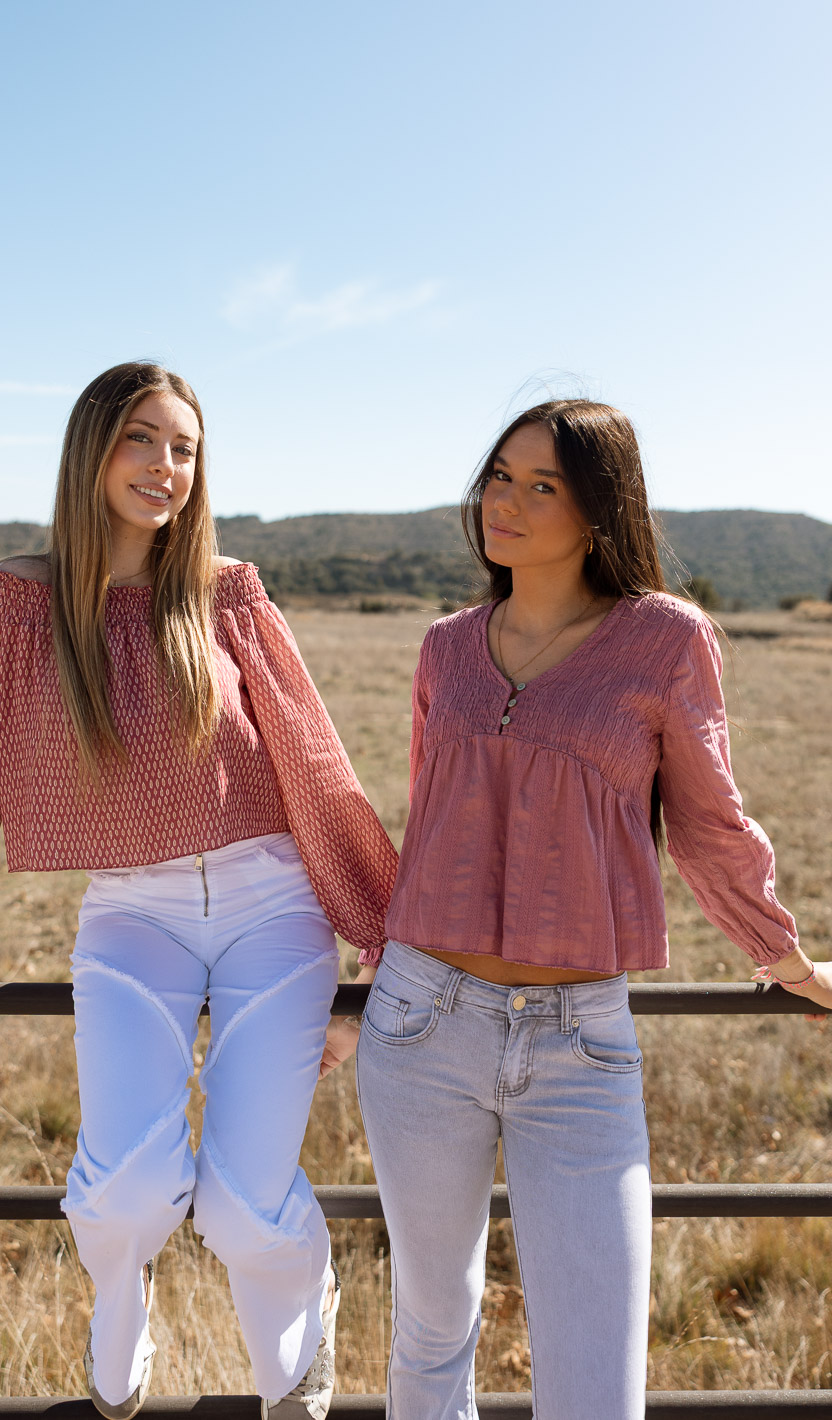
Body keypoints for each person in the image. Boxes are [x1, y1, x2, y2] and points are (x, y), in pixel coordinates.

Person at [0, 361, 396, 1420]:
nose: (166, 467)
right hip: (133, 913)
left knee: (238, 1206)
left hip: (274, 909)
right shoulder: (19, 603)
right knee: (128, 1186)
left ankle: (298, 1340)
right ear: (92, 448)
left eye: (184, 448)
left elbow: (316, 766)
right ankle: (118, 1279)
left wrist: (379, 932)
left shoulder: (227, 592)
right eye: (143, 439)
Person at [354, 399, 832, 1420]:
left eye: (543, 486)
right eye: (498, 476)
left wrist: (783, 957)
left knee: (595, 1382)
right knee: (431, 1338)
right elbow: (427, 820)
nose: (507, 502)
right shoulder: (445, 647)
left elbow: (709, 821)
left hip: (580, 1046)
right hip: (419, 1018)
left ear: (599, 510)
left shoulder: (663, 640)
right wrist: (369, 968)